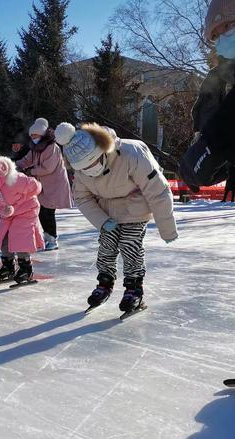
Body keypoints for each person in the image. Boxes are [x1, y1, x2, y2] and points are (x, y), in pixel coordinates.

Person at [55, 121, 178, 314]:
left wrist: (167, 229)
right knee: (106, 246)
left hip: (136, 205)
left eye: (94, 162)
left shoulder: (131, 153)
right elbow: (82, 197)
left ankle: (134, 288)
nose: (91, 170)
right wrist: (102, 221)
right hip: (107, 211)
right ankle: (104, 283)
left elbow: (158, 191)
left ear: (102, 150)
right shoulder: (81, 170)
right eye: (85, 168)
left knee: (130, 244)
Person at [179, 0, 235, 188]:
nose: (222, 39)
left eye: (228, 26)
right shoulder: (222, 77)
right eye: (216, 36)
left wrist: (213, 142)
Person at [0, 137, 44, 285]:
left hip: (26, 209)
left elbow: (36, 186)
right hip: (7, 212)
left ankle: (26, 268)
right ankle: (8, 266)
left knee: (20, 236)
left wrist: (27, 196)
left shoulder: (14, 180)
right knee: (4, 237)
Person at [16, 118, 72, 251]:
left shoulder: (52, 147)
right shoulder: (35, 148)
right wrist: (14, 165)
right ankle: (47, 237)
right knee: (41, 211)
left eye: (35, 135)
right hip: (42, 186)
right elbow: (26, 160)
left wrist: (30, 171)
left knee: (48, 212)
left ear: (41, 134)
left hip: (54, 185)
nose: (33, 138)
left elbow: (48, 168)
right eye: (32, 136)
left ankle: (52, 239)